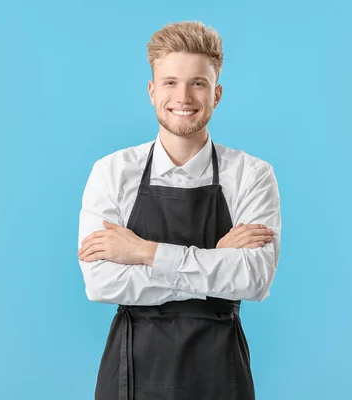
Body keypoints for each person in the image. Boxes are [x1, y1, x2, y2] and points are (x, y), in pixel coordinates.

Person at [77, 21, 281, 400]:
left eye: (197, 83)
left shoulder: (252, 174)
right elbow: (101, 282)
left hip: (220, 374)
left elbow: (254, 279)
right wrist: (217, 262)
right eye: (170, 82)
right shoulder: (112, 172)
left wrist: (144, 253)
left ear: (216, 94)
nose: (183, 96)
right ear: (152, 92)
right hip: (131, 374)